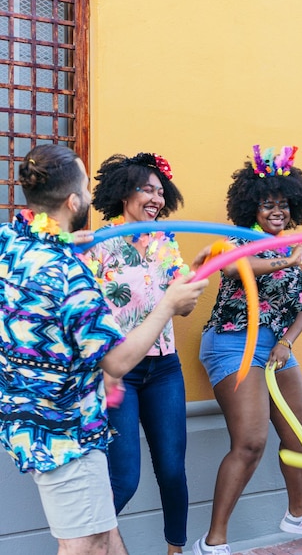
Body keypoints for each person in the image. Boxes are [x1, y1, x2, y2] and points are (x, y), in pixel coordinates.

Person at [0, 144, 208, 555]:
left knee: (106, 538)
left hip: (42, 417)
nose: (156, 198)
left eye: (160, 190)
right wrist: (168, 303)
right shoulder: (73, 266)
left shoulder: (14, 244)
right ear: (75, 200)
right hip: (66, 423)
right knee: (89, 541)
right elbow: (115, 359)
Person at [192, 145, 302, 555]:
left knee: (300, 431)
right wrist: (287, 262)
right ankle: (212, 541)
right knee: (251, 442)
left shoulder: (298, 248)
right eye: (266, 204)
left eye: (283, 204)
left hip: (275, 346)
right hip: (232, 342)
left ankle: (297, 512)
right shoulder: (238, 242)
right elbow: (231, 268)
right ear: (250, 209)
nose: (276, 211)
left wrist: (286, 341)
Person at [85, 152, 193, 555]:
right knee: (124, 479)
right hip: (119, 373)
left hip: (165, 369)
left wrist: (188, 289)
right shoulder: (98, 244)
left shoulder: (166, 240)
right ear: (123, 192)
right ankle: (85, 545)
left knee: (172, 471)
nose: (155, 198)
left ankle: (175, 551)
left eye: (160, 192)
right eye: (146, 189)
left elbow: (183, 307)